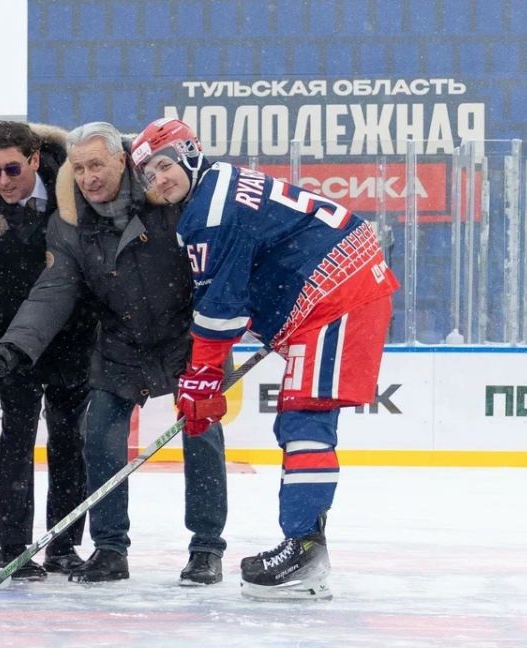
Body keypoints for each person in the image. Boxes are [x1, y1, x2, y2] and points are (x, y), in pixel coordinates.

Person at [130, 117, 399, 600]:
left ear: (191, 153)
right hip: (336, 288)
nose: (159, 180)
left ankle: (303, 548)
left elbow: (219, 307)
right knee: (300, 420)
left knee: (304, 419)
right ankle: (305, 543)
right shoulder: (218, 187)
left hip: (336, 295)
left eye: (164, 165)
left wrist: (202, 376)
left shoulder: (209, 209)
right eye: (148, 176)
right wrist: (205, 373)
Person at [0, 122, 230, 586]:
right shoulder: (69, 222)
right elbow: (53, 290)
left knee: (201, 433)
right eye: (80, 167)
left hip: (185, 337)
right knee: (101, 433)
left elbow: (217, 262)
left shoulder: (165, 198)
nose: (88, 176)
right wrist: (15, 348)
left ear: (123, 161)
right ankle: (109, 548)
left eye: (97, 165)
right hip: (121, 340)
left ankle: (206, 548)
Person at [0, 121, 95, 577]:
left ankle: (63, 543)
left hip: (73, 338)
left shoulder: (71, 193)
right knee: (16, 439)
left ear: (35, 160)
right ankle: (14, 547)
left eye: (12, 169)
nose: (2, 181)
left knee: (69, 440)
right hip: (11, 344)